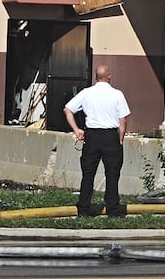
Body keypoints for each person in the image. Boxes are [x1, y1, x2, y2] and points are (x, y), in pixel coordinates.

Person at [64, 64, 132, 218]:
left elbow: (67, 109)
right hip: (110, 137)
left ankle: (83, 209)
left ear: (96, 77)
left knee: (88, 174)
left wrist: (76, 130)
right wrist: (120, 138)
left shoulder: (87, 93)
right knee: (112, 175)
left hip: (92, 136)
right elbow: (123, 120)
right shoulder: (117, 94)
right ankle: (113, 210)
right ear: (109, 77)